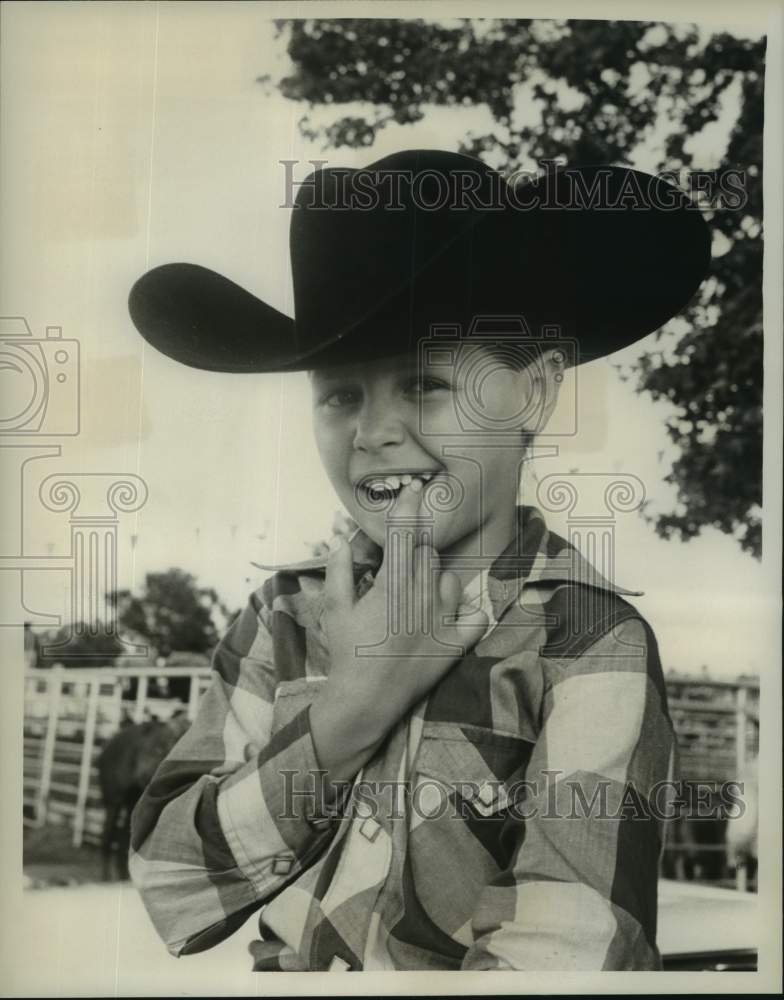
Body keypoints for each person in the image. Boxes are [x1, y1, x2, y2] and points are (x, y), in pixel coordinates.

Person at [126, 150, 711, 971]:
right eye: (340, 396)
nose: (373, 433)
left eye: (425, 385)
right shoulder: (282, 617)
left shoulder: (587, 641)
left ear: (534, 393)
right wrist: (351, 708)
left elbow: (563, 953)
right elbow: (171, 881)